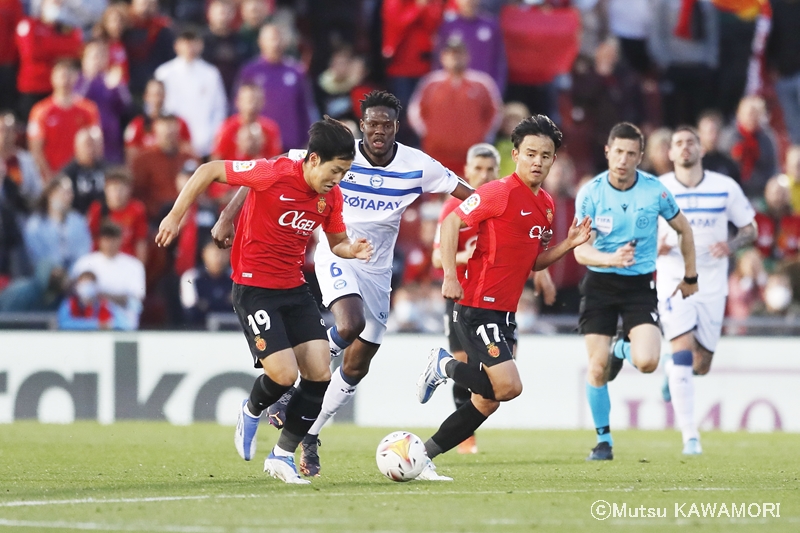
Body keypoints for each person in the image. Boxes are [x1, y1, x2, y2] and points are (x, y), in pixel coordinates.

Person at [212, 90, 474, 479]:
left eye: (387, 124)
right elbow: (260, 174)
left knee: (357, 362)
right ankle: (289, 388)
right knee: (349, 324)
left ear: (397, 126)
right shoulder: (334, 154)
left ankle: (310, 432)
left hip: (377, 266)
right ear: (362, 124)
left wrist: (496, 219)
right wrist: (227, 217)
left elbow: (469, 196)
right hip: (337, 251)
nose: (379, 131)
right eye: (372, 123)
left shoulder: (417, 165)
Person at [155, 117, 373, 485]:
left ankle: (282, 456)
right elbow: (208, 170)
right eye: (336, 170)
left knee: (320, 371)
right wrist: (176, 216)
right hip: (254, 288)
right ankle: (252, 408)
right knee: (284, 374)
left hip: (294, 287)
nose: (338, 180)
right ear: (314, 159)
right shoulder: (272, 173)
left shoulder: (329, 196)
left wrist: (353, 249)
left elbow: (336, 243)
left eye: (345, 173)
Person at [416, 115, 592, 479]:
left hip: (504, 313)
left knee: (487, 401)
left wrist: (568, 246)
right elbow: (450, 224)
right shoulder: (497, 192)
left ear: (553, 160)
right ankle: (444, 365)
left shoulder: (546, 204)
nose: (538, 161)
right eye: (531, 153)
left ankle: (422, 455)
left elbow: (534, 260)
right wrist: (450, 275)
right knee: (508, 387)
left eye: (546, 155)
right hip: (478, 307)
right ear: (515, 154)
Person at [573, 122, 697, 461]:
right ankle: (604, 441)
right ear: (607, 152)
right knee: (596, 367)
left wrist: (691, 275)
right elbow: (579, 250)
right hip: (600, 283)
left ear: (640, 157)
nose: (624, 160)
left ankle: (620, 350)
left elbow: (683, 228)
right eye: (618, 152)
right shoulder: (591, 193)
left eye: (631, 154)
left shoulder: (654, 191)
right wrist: (609, 258)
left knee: (647, 361)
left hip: (639, 286)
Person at [657, 126, 756, 455]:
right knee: (682, 349)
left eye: (691, 142)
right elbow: (641, 231)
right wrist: (651, 246)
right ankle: (690, 437)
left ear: (701, 149)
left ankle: (673, 371)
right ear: (669, 153)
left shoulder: (725, 187)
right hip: (674, 279)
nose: (685, 148)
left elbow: (750, 228)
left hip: (712, 282)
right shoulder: (659, 189)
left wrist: (731, 245)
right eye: (678, 143)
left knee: (701, 364)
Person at [408, 36, 503, 174]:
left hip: (470, 159)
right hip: (436, 156)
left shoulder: (482, 83)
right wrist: (430, 134)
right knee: (436, 194)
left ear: (467, 56)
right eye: (451, 53)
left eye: (459, 53)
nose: (455, 57)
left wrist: (482, 137)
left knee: (470, 194)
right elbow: (415, 112)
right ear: (443, 57)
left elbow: (495, 113)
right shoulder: (431, 83)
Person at [155, 28, 228, 159]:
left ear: (201, 45)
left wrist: (212, 139)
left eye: (193, 43)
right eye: (185, 43)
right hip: (173, 144)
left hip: (206, 143)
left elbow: (219, 110)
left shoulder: (211, 73)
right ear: (176, 45)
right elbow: (157, 108)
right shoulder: (164, 73)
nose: (189, 47)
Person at [27, 60, 102, 183]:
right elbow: (35, 149)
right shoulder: (40, 111)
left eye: (69, 75)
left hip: (80, 177)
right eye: (62, 75)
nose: (65, 80)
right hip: (52, 175)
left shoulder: (88, 109)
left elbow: (97, 144)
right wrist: (49, 177)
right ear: (53, 78)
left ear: (76, 78)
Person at [72, 221, 146, 329]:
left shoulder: (134, 266)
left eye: (113, 239)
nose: (110, 244)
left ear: (121, 240)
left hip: (122, 322)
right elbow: (74, 295)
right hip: (89, 323)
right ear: (100, 240)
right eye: (106, 239)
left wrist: (100, 295)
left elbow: (136, 299)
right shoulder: (84, 263)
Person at [123, 79, 193, 163]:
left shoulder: (179, 123)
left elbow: (188, 153)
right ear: (146, 96)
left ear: (165, 96)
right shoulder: (137, 125)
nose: (157, 99)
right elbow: (131, 157)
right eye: (153, 95)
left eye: (160, 94)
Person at [58, 270, 133, 330]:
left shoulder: (105, 305)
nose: (86, 287)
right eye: (83, 284)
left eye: (89, 284)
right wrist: (97, 325)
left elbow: (125, 324)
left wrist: (110, 325)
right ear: (77, 286)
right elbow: (64, 323)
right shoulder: (69, 304)